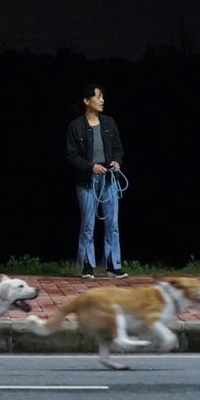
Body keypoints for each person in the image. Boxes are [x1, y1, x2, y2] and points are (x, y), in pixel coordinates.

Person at [66, 84, 126, 279]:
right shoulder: (75, 126)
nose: (102, 100)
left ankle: (113, 265)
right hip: (87, 180)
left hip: (109, 179)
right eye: (98, 97)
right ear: (86, 101)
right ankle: (88, 266)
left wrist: (117, 161)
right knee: (88, 224)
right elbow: (71, 155)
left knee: (113, 223)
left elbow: (118, 148)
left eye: (102, 97)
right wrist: (90, 166)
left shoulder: (109, 123)